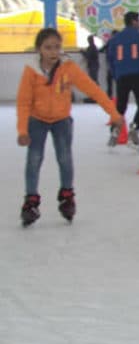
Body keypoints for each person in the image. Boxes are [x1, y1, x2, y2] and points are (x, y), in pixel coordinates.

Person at [16, 28, 123, 226]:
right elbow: (23, 102)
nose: (53, 52)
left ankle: (67, 196)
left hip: (61, 121)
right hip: (36, 120)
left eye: (57, 47)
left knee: (65, 158)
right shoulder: (31, 71)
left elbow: (94, 90)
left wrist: (114, 114)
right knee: (34, 159)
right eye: (48, 48)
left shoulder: (68, 68)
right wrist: (22, 130)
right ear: (39, 49)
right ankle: (30, 201)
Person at [106, 11, 139, 147]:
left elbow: (110, 59)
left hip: (122, 77)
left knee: (121, 106)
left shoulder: (115, 39)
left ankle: (115, 131)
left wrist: (116, 75)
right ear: (133, 21)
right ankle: (135, 128)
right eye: (138, 21)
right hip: (138, 75)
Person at [82, 35, 100, 102]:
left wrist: (82, 52)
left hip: (93, 66)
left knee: (93, 81)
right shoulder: (93, 47)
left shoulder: (91, 47)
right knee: (94, 81)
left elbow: (88, 56)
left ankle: (95, 96)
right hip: (94, 66)